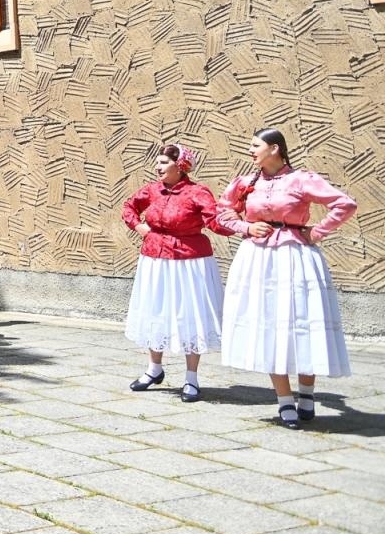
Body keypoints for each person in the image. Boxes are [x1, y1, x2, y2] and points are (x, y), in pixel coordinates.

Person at [218, 129, 357, 428]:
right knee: (270, 325)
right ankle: (284, 401)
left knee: (302, 323)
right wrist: (246, 227)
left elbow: (345, 204)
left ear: (275, 148)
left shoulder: (302, 179)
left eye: (255, 145)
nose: (250, 150)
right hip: (258, 260)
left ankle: (306, 395)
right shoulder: (245, 183)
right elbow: (223, 213)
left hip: (296, 257)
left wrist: (317, 231)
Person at [120, 145, 229, 402]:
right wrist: (139, 226)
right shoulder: (152, 189)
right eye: (157, 163)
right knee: (155, 310)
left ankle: (191, 378)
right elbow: (128, 207)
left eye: (163, 163)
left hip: (189, 261)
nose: (158, 167)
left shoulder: (197, 192)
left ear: (180, 166)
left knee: (190, 314)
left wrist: (240, 222)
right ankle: (154, 369)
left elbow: (215, 222)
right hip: (155, 258)